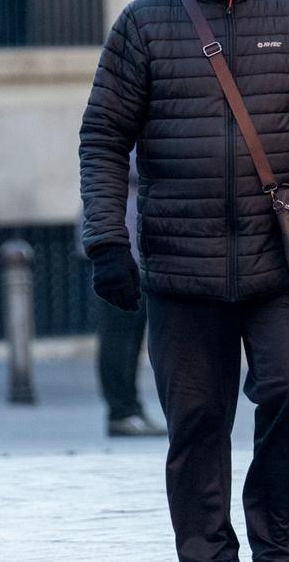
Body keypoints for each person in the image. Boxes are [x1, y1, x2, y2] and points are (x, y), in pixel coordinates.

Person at [77, 0, 289, 560]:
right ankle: (207, 551)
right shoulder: (144, 25)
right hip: (181, 269)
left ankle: (275, 544)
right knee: (198, 424)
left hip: (283, 264)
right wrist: (106, 243)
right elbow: (102, 139)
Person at [75, 150, 166, 437]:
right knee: (120, 333)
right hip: (123, 243)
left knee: (130, 333)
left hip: (132, 239)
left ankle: (128, 408)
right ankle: (122, 409)